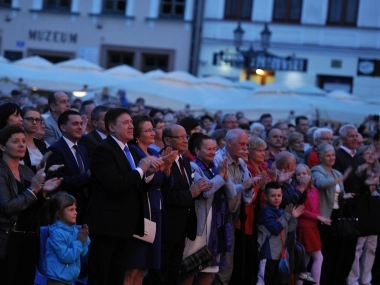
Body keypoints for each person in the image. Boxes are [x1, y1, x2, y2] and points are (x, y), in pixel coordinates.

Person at [87, 108, 162, 285]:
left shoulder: (130, 150)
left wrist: (150, 172)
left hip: (126, 224)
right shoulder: (103, 149)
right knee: (101, 275)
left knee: (117, 275)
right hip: (107, 224)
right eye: (126, 123)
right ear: (112, 128)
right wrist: (141, 169)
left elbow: (137, 184)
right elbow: (114, 183)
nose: (131, 126)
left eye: (131, 122)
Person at [144, 124, 211, 285]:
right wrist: (191, 193)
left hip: (182, 226)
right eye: (179, 137)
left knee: (173, 272)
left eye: (186, 137)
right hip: (165, 226)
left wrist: (199, 190)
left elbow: (188, 189)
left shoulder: (185, 160)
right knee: (160, 273)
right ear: (167, 140)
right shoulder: (161, 160)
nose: (184, 140)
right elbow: (165, 195)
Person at [0, 125, 62, 285]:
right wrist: (33, 190)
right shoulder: (1, 171)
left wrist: (44, 193)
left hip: (30, 237)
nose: (22, 145)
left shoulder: (27, 170)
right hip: (8, 238)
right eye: (15, 141)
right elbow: (6, 207)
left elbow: (34, 206)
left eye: (23, 141)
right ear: (2, 146)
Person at [123, 115, 176, 285]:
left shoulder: (154, 152)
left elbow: (167, 184)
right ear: (137, 135)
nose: (153, 133)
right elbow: (139, 180)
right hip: (142, 211)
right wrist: (153, 171)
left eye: (153, 129)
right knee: (133, 265)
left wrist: (167, 169)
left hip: (156, 210)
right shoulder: (132, 152)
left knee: (145, 266)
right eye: (147, 130)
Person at [179, 133, 235, 285]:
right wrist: (220, 176)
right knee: (190, 270)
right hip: (199, 227)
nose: (212, 152)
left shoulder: (217, 167)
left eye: (214, 149)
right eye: (208, 149)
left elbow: (232, 193)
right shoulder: (192, 167)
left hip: (216, 228)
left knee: (209, 273)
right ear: (197, 151)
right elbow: (205, 192)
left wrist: (224, 175)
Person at [212, 129, 255, 285]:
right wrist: (244, 186)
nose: (245, 148)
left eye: (247, 144)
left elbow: (247, 198)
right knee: (213, 264)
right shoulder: (218, 159)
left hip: (232, 217)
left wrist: (250, 186)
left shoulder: (242, 162)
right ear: (229, 142)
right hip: (216, 219)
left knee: (227, 264)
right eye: (242, 144)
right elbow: (230, 191)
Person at [311, 143, 355, 285]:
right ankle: (322, 280)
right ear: (321, 157)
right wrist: (338, 180)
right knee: (325, 251)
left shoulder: (337, 173)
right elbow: (320, 183)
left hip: (337, 214)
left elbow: (339, 194)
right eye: (328, 155)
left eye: (333, 155)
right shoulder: (316, 170)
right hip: (323, 216)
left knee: (337, 251)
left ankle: (333, 280)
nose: (331, 158)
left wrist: (344, 196)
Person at [231, 136, 272, 285]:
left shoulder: (262, 168)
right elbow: (245, 195)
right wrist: (259, 187)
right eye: (259, 150)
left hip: (258, 217)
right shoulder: (246, 167)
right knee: (243, 259)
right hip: (244, 218)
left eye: (264, 150)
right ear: (250, 151)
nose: (263, 153)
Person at [46, 110, 91, 224]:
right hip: (65, 210)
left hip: (85, 208)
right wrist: (88, 176)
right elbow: (60, 180)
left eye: (81, 123)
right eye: (75, 124)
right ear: (63, 127)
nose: (80, 127)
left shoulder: (82, 149)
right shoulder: (55, 149)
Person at [257, 182, 304, 285]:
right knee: (263, 281)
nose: (276, 198)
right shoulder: (266, 212)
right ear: (265, 196)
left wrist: (293, 218)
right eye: (273, 196)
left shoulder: (283, 211)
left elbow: (290, 229)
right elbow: (275, 228)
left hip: (280, 255)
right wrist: (287, 215)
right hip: (268, 254)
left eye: (279, 195)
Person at [347, 145, 379, 285]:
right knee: (358, 247)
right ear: (360, 156)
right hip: (360, 211)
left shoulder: (377, 171)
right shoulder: (357, 173)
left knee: (371, 247)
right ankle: (353, 280)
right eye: (367, 153)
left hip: (375, 211)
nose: (371, 155)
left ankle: (366, 280)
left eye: (373, 153)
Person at [295, 164, 331, 285]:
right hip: (304, 226)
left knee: (305, 259)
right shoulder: (298, 190)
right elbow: (301, 209)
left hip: (313, 226)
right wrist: (318, 217)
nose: (301, 176)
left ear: (310, 175)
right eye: (298, 174)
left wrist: (321, 217)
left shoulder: (314, 190)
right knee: (318, 258)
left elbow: (316, 206)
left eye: (304, 173)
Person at [44, 192, 90, 285]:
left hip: (69, 279)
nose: (75, 212)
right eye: (71, 209)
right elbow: (66, 257)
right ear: (59, 213)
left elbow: (82, 253)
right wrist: (80, 242)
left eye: (75, 209)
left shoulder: (73, 230)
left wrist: (85, 238)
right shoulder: (56, 233)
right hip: (57, 280)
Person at [21, 106, 50, 172]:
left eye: (37, 120)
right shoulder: (18, 144)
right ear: (22, 120)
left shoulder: (42, 144)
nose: (34, 122)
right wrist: (38, 167)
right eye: (30, 119)